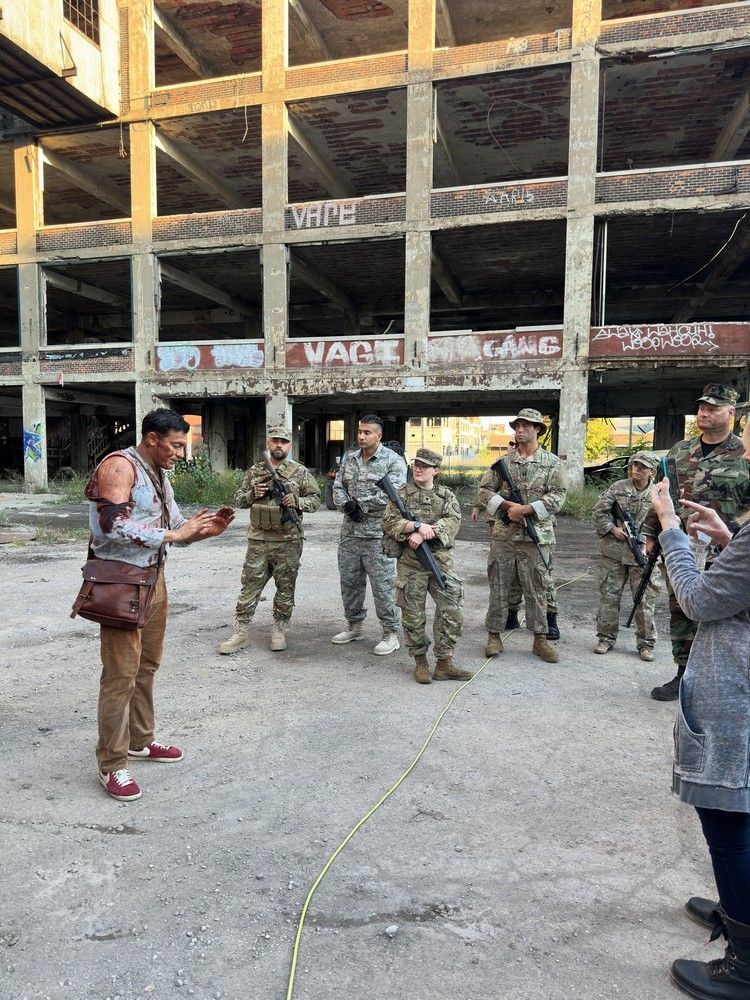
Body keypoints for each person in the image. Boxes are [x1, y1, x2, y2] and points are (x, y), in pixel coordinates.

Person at [649, 406, 750, 1000]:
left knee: (730, 817)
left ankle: (744, 962)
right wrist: (732, 538)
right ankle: (737, 903)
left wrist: (669, 526)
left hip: (736, 686)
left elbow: (699, 601)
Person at [85, 408, 234, 802]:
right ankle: (112, 764)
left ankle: (140, 740)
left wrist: (204, 532)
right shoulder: (119, 466)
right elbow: (112, 525)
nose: (179, 453)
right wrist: (174, 533)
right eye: (175, 445)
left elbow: (176, 531)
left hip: (153, 581)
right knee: (120, 675)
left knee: (147, 666)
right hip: (122, 583)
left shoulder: (159, 473)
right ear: (152, 438)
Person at [645, 384, 750, 701]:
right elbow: (663, 494)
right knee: (681, 607)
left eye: (713, 407)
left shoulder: (743, 453)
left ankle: (719, 675)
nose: (704, 412)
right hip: (686, 544)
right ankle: (683, 674)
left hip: (729, 548)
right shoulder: (680, 451)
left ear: (731, 412)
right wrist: (653, 533)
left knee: (723, 613)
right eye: (702, 406)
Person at [218, 426, 320, 655]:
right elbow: (239, 500)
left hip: (288, 541)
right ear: (268, 442)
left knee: (285, 587)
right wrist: (253, 493)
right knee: (250, 585)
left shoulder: (300, 472)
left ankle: (279, 629)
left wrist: (297, 502)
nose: (279, 445)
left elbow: (315, 500)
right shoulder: (255, 471)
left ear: (290, 445)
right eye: (275, 441)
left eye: (284, 442)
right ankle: (241, 632)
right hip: (259, 540)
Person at [477, 407, 567, 663]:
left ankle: (540, 639)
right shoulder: (503, 464)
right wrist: (508, 507)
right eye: (517, 426)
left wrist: (527, 509)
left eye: (526, 426)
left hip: (536, 537)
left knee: (537, 588)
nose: (520, 430)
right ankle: (494, 635)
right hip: (504, 536)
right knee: (499, 586)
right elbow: (483, 491)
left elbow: (559, 496)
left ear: (538, 429)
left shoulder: (552, 463)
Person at [382, 448, 472, 684]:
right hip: (411, 565)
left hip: (440, 563)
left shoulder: (446, 496)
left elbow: (453, 521)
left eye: (424, 465)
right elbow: (389, 522)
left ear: (436, 471)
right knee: (413, 616)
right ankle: (420, 663)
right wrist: (414, 526)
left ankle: (444, 663)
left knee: (452, 610)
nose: (418, 469)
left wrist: (425, 533)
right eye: (416, 464)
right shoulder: (401, 494)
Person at [331, 414, 406, 654]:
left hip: (378, 536)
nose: (362, 436)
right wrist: (346, 506)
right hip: (350, 534)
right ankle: (354, 626)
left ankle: (390, 632)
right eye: (360, 432)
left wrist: (359, 504)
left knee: (383, 587)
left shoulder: (392, 460)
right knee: (350, 583)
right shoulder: (350, 459)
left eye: (367, 433)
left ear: (378, 435)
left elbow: (394, 493)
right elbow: (337, 487)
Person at [591, 450, 661, 660]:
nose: (637, 470)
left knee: (645, 600)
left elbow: (666, 521)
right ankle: (605, 638)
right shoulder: (618, 488)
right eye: (635, 465)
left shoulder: (658, 493)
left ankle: (646, 644)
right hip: (614, 552)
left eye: (643, 467)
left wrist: (651, 542)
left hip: (643, 555)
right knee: (609, 597)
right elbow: (599, 512)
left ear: (652, 471)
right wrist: (613, 529)